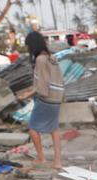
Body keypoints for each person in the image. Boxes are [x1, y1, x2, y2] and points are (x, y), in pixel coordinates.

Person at [25, 31, 64, 169]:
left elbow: (43, 82)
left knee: (33, 128)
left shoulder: (40, 59)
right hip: (57, 97)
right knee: (54, 129)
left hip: (46, 98)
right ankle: (57, 161)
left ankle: (41, 157)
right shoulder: (52, 58)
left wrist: (29, 94)